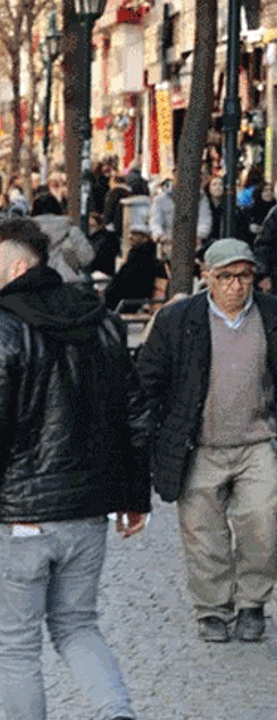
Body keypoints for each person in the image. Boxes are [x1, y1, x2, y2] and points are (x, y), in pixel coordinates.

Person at [0, 217, 147, 720]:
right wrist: (135, 496)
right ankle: (115, 713)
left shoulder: (1, 331)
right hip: (85, 514)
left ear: (20, 267)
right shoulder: (101, 322)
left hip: (19, 519)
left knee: (17, 647)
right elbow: (136, 415)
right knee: (77, 625)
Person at [136, 238, 277, 644]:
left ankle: (252, 603)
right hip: (198, 444)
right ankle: (213, 609)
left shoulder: (270, 315)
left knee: (263, 525)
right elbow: (148, 381)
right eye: (227, 277)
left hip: (257, 441)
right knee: (203, 533)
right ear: (207, 278)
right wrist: (155, 435)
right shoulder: (178, 320)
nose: (237, 285)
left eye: (245, 275)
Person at [28, 192, 95, 283]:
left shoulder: (27, 232)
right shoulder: (71, 231)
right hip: (66, 282)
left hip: (35, 282)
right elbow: (87, 256)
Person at [103, 226, 166, 311]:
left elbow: (128, 282)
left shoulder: (142, 256)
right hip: (123, 301)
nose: (130, 237)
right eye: (130, 233)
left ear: (144, 238)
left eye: (135, 234)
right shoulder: (140, 253)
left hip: (126, 302)